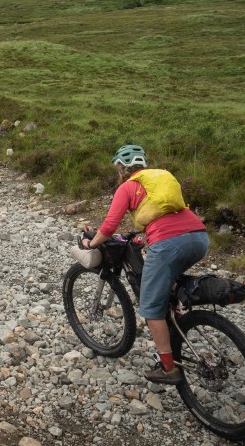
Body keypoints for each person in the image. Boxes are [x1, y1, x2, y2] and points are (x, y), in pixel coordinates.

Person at [84, 144, 209, 383]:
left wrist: (92, 244)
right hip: (199, 236)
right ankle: (176, 316)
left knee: (151, 308)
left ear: (122, 168)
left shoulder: (128, 186)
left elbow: (109, 227)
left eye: (117, 168)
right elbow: (164, 213)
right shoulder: (160, 178)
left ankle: (168, 368)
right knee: (168, 279)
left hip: (169, 243)